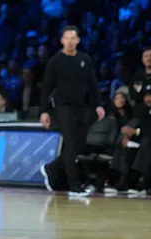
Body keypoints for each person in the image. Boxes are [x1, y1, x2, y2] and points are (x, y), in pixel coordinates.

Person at [39, 26, 106, 198]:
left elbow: (92, 84)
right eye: (66, 38)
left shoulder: (85, 59)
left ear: (78, 40)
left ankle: (52, 167)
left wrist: (98, 104)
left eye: (73, 38)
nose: (69, 41)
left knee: (78, 145)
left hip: (81, 107)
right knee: (69, 144)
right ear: (62, 40)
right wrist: (44, 111)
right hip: (63, 107)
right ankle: (74, 186)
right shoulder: (55, 61)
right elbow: (46, 88)